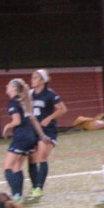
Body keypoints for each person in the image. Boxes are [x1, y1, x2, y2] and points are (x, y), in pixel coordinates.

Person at [2, 78, 50, 201]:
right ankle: (18, 195)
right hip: (30, 137)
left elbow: (17, 121)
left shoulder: (13, 102)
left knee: (8, 167)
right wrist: (42, 135)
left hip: (21, 137)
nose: (7, 86)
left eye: (9, 85)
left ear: (14, 88)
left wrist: (7, 127)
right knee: (17, 166)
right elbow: (33, 119)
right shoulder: (25, 101)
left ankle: (16, 195)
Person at [27, 69, 68, 199]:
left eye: (35, 78)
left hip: (47, 130)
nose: (32, 80)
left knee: (42, 156)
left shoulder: (50, 94)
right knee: (31, 158)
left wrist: (49, 118)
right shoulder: (29, 94)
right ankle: (34, 186)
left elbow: (62, 109)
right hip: (34, 130)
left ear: (43, 80)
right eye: (32, 77)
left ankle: (39, 188)